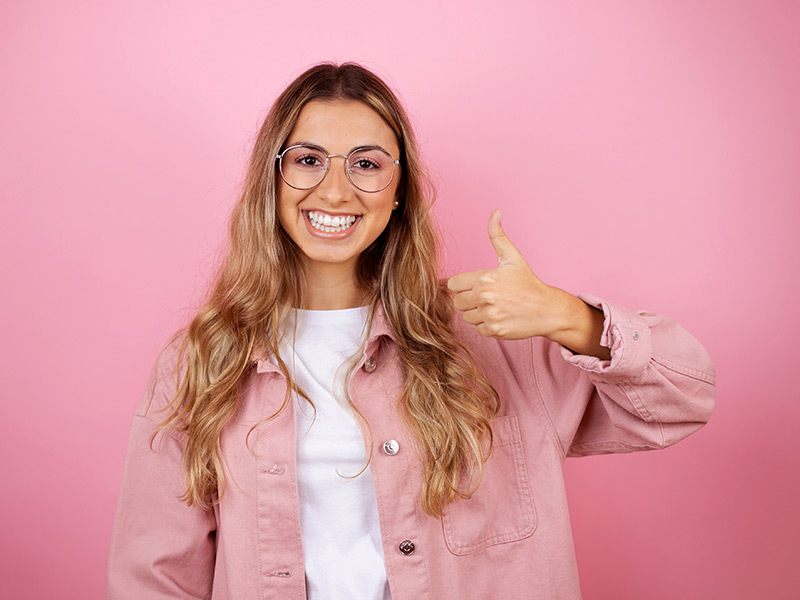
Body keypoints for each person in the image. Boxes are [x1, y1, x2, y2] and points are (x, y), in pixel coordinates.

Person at [107, 63, 715, 600]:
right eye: (308, 160)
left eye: (367, 164)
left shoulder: (494, 339)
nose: (336, 189)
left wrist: (567, 316)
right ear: (272, 178)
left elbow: (682, 402)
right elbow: (156, 573)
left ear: (399, 191)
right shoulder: (203, 360)